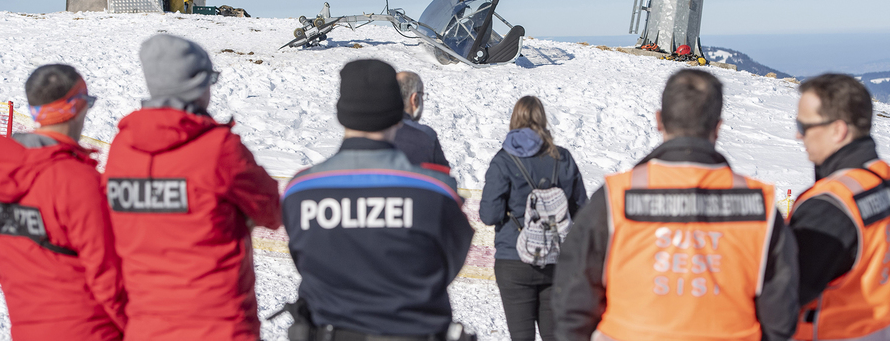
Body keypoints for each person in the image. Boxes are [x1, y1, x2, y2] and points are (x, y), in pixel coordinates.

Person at [553, 69, 799, 341]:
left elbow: (572, 299)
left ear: (659, 120)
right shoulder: (759, 205)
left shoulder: (615, 198)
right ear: (718, 127)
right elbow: (781, 315)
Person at [102, 34, 282, 341]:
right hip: (217, 327)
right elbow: (272, 212)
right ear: (197, 85)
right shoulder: (218, 148)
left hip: (146, 326)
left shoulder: (122, 147)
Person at [280, 59, 474, 339]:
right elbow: (450, 262)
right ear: (398, 114)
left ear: (341, 114)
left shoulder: (300, 192)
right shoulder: (435, 192)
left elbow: (304, 259)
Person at [0, 64, 127, 340]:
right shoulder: (76, 180)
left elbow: (2, 266)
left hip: (27, 328)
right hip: (91, 331)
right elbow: (107, 277)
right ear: (77, 105)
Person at [788, 74, 890, 341]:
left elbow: (784, 294)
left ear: (837, 130)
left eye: (804, 126)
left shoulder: (830, 205)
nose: (798, 135)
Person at [479, 95, 588, 341]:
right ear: (543, 119)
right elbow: (582, 210)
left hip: (513, 259)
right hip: (555, 259)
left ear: (514, 120)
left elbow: (489, 215)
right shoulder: (563, 158)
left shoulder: (503, 161)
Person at [393, 70, 450, 168]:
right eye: (422, 95)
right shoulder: (425, 136)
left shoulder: (371, 129)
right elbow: (443, 175)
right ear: (414, 99)